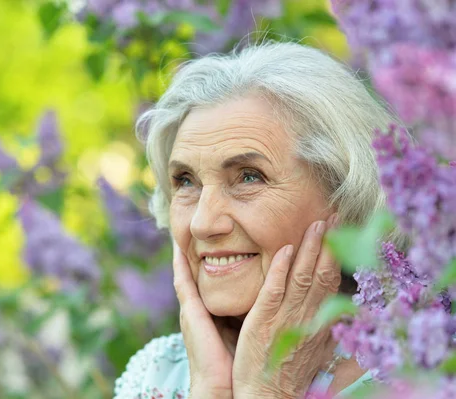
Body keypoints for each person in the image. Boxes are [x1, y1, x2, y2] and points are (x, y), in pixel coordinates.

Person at [114, 41, 397, 399]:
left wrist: (269, 390)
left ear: (342, 193)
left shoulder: (419, 369)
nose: (202, 224)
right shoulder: (157, 373)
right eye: (185, 181)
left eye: (249, 176)